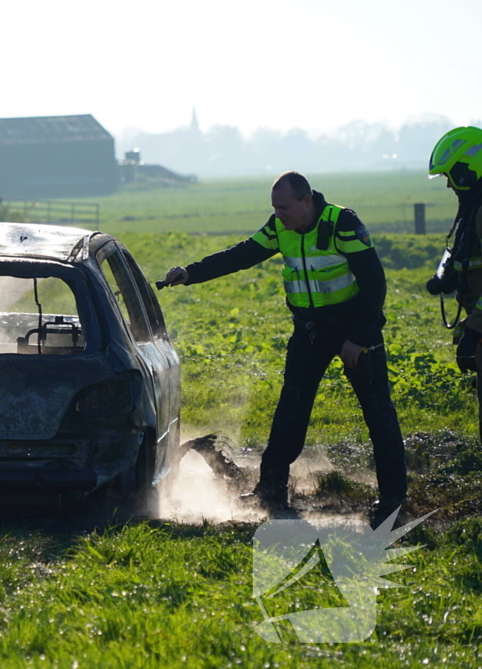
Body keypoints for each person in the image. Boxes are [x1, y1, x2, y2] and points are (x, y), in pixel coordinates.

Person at [163, 171, 407, 526]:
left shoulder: (342, 223)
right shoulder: (280, 226)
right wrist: (190, 273)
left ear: (307, 200)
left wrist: (359, 337)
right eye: (275, 208)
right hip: (310, 329)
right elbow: (242, 255)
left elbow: (375, 284)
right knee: (290, 407)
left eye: (286, 207)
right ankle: (271, 488)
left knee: (378, 413)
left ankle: (392, 501)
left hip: (355, 328)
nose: (280, 215)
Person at [427, 126, 482, 440]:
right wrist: (446, 277)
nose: (449, 184)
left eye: (451, 175)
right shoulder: (474, 206)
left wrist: (473, 331)